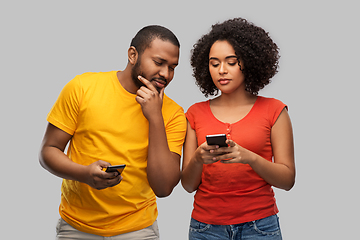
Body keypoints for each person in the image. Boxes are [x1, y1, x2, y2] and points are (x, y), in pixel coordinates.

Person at [39, 25, 187, 239]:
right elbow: (48, 151)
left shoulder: (173, 114)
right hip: (76, 228)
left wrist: (155, 117)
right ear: (133, 55)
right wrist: (85, 175)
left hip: (138, 230)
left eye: (172, 67)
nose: (165, 74)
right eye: (158, 62)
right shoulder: (82, 87)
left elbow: (163, 187)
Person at [181, 18, 295, 240]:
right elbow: (187, 185)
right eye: (214, 64)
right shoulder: (194, 113)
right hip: (206, 228)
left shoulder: (275, 110)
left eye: (231, 62)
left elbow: (288, 179)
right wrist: (197, 158)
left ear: (250, 62)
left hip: (260, 226)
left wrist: (249, 157)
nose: (221, 70)